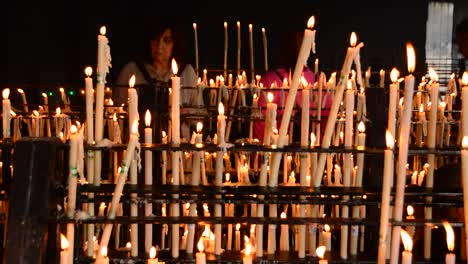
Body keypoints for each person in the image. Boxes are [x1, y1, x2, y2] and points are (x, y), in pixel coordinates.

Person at [114, 19, 203, 142]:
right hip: (139, 147)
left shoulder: (187, 73)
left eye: (166, 41)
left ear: (175, 44)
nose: (159, 46)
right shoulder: (131, 71)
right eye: (155, 40)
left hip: (178, 150)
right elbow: (117, 114)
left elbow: (200, 116)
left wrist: (184, 112)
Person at [253, 30, 331, 143]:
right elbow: (327, 128)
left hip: (275, 152)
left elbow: (260, 128)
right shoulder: (320, 83)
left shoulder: (269, 80)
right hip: (312, 153)